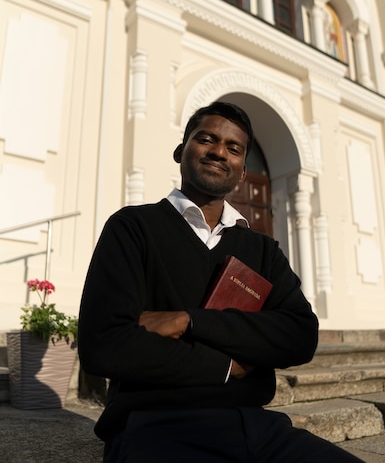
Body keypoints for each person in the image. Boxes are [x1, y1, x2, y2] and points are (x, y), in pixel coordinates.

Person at [78, 101, 364, 462]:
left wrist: (188, 320)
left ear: (243, 171)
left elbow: (300, 334)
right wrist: (231, 365)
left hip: (257, 428)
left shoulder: (262, 248)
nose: (219, 152)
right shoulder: (133, 228)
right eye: (206, 139)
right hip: (156, 427)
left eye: (234, 148)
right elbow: (104, 344)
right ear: (181, 151)